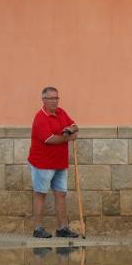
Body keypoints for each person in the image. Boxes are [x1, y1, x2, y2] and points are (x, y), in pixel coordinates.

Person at [28, 86, 80, 239]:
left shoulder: (61, 112)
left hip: (60, 162)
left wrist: (71, 129)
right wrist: (68, 137)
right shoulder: (40, 118)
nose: (54, 101)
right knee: (40, 194)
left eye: (56, 98)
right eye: (51, 98)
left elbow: (75, 126)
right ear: (43, 100)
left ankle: (62, 228)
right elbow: (49, 139)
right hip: (42, 163)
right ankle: (38, 228)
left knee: (61, 194)